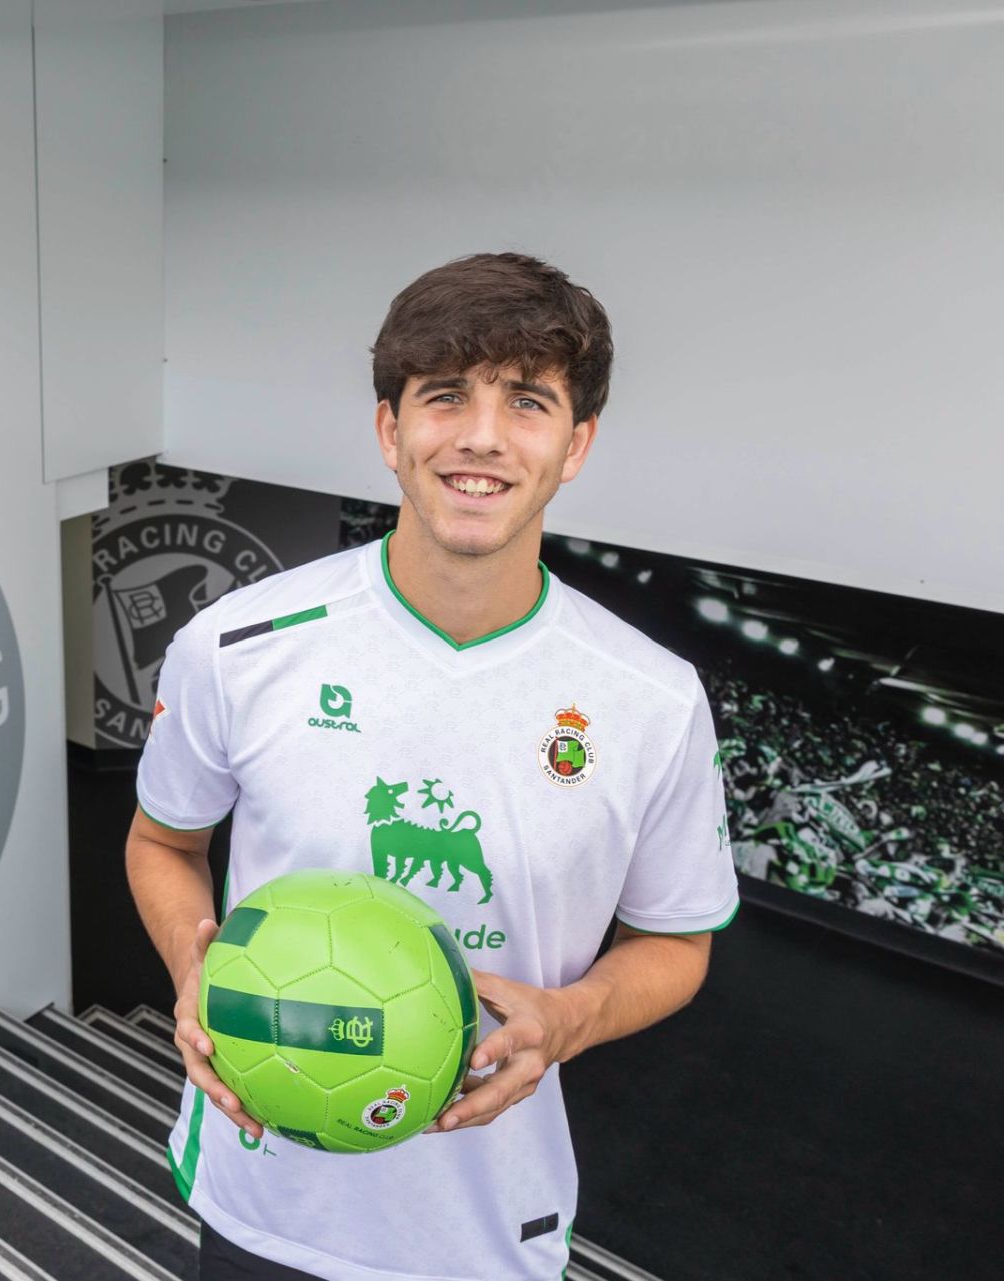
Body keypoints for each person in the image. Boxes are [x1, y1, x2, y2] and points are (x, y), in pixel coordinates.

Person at [126, 252, 740, 1280]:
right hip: (263, 1195)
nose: (483, 437)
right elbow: (161, 842)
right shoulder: (237, 643)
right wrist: (198, 980)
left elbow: (677, 942)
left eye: (527, 402)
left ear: (576, 443)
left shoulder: (653, 698)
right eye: (445, 395)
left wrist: (572, 1016)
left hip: (488, 1228)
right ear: (389, 429)